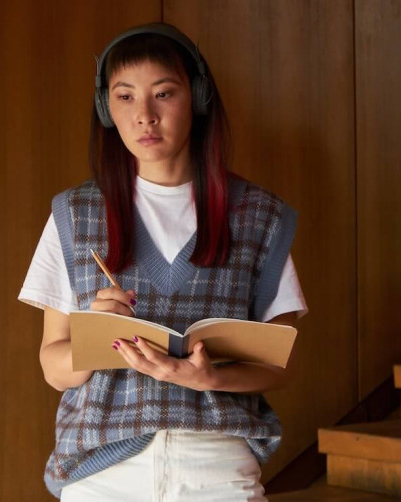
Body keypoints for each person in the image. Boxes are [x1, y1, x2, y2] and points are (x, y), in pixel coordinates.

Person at [18, 23, 307, 502]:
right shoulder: (75, 214)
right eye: (125, 97)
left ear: (195, 98)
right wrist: (93, 334)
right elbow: (54, 366)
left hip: (215, 464)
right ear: (105, 109)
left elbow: (282, 364)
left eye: (164, 94)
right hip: (103, 468)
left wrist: (211, 377)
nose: (144, 116)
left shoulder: (259, 217)